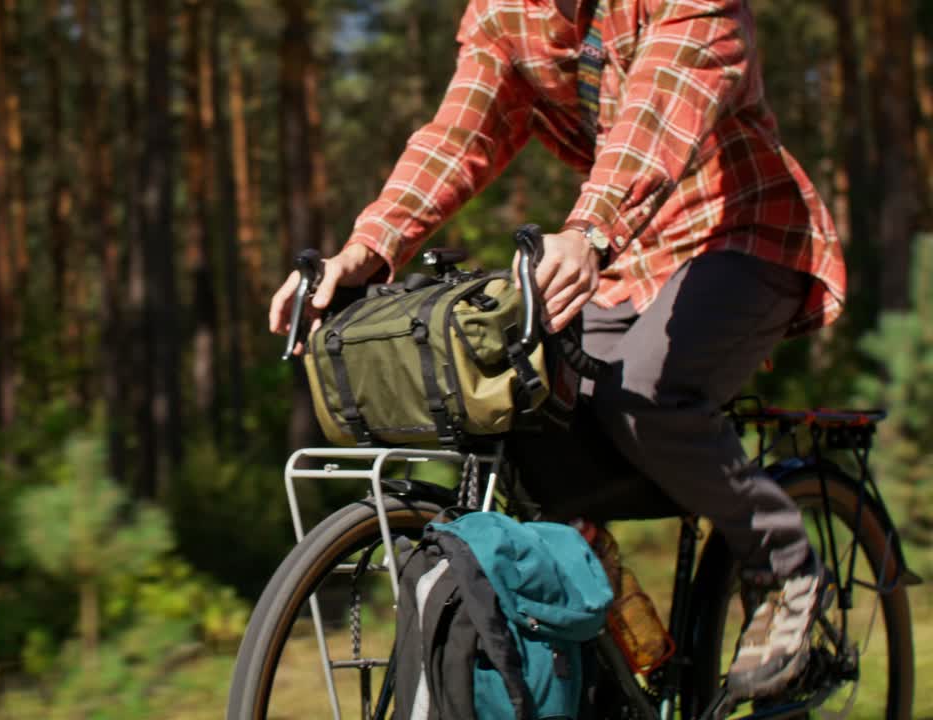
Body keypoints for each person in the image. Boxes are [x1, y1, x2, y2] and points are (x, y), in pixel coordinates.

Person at [268, 0, 846, 701]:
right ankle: (602, 620)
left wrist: (589, 230)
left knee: (643, 392)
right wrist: (368, 248)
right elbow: (459, 134)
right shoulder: (509, 14)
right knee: (524, 393)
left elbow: (656, 117)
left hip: (746, 234)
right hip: (631, 254)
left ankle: (784, 568)